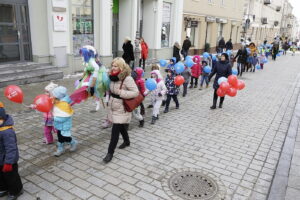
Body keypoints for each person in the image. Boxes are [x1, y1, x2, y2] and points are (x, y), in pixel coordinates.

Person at [103, 57, 139, 163]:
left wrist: (121, 92)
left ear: (121, 67)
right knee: (121, 126)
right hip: (113, 104)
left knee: (115, 130)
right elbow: (110, 89)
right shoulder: (112, 77)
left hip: (122, 107)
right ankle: (127, 141)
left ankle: (110, 153)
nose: (113, 68)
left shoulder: (127, 78)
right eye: (112, 66)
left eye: (115, 66)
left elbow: (135, 92)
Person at [0, 102, 23, 200]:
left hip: (8, 161)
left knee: (11, 177)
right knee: (1, 176)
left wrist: (9, 162)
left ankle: (16, 190)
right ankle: (3, 188)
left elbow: (11, 148)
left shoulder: (7, 132)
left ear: (2, 119)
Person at [52, 86, 77, 157]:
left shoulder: (64, 104)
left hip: (64, 125)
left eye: (54, 94)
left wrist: (54, 118)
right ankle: (60, 149)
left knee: (66, 137)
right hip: (59, 125)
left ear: (59, 96)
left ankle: (73, 142)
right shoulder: (57, 101)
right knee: (60, 137)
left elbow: (64, 117)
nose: (53, 95)